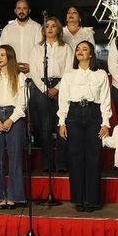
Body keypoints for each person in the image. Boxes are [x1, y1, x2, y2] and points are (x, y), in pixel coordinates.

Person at [58, 41, 112, 212]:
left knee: (93, 157)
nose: (80, 51)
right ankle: (79, 200)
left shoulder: (100, 74)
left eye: (84, 49)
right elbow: (63, 100)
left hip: (93, 114)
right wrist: (62, 122)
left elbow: (105, 100)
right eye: (78, 49)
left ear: (91, 54)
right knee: (75, 157)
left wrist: (105, 123)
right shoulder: (69, 75)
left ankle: (92, 200)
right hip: (73, 115)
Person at [28, 17, 73, 172]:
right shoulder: (37, 48)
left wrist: (58, 88)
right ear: (43, 29)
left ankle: (62, 163)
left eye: (54, 26)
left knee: (61, 124)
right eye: (47, 26)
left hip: (61, 85)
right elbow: (33, 70)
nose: (50, 28)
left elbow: (69, 70)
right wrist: (44, 89)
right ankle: (47, 164)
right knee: (45, 127)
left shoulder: (66, 48)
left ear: (58, 29)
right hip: (41, 86)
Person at [0, 45, 27, 210]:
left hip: (13, 115)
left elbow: (23, 102)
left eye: (3, 55)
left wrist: (11, 120)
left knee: (15, 158)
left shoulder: (20, 77)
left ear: (10, 57)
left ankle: (14, 196)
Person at [0, 0, 42, 73]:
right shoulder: (7, 29)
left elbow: (40, 51)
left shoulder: (37, 28)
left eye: (24, 8)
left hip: (33, 73)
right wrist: (13, 66)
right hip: (13, 72)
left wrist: (32, 66)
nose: (21, 11)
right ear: (15, 11)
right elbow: (2, 52)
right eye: (19, 8)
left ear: (29, 11)